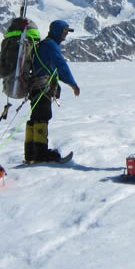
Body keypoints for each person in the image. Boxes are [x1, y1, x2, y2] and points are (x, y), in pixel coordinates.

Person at [25, 19, 81, 163]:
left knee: (35, 118)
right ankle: (41, 154)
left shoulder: (45, 44)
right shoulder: (50, 45)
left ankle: (31, 153)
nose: (65, 35)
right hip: (43, 87)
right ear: (57, 31)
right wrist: (73, 84)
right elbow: (61, 66)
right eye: (64, 32)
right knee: (42, 117)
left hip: (35, 87)